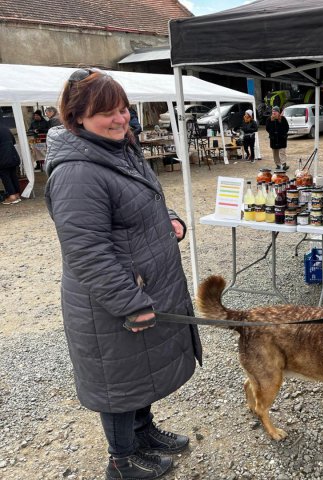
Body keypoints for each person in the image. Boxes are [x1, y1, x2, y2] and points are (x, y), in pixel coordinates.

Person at [44, 68, 202, 480]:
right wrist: (129, 303)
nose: (120, 120)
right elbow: (86, 250)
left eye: (124, 110)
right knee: (119, 381)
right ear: (77, 117)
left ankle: (142, 434)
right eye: (106, 113)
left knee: (141, 372)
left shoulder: (119, 148)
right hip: (111, 300)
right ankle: (121, 460)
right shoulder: (77, 172)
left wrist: (170, 219)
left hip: (144, 285)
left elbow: (142, 203)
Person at [0, 125, 22, 205]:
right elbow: (13, 141)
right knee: (13, 175)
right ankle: (17, 194)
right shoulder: (5, 128)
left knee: (5, 177)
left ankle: (12, 196)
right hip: (13, 155)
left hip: (3, 157)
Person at [265, 105, 289, 170]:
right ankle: (278, 164)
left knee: (282, 152)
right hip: (273, 139)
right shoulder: (269, 119)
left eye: (275, 111)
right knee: (275, 153)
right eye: (273, 111)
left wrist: (283, 134)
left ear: (278, 112)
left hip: (282, 139)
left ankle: (284, 165)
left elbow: (287, 127)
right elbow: (267, 128)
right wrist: (272, 133)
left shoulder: (283, 119)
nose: (274, 113)